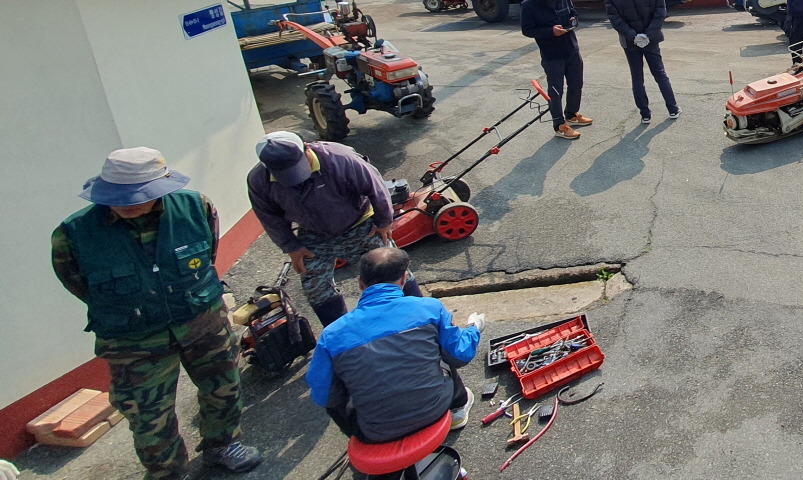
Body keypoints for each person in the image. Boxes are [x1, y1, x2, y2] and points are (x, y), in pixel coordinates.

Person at [51, 148, 261, 479]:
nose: (126, 203)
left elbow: (206, 253)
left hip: (201, 321)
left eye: (137, 195)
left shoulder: (196, 208)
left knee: (223, 387)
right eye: (116, 196)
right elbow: (76, 282)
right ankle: (167, 473)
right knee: (149, 416)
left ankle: (222, 445)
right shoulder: (74, 234)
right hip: (133, 340)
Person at [307, 248, 483, 441]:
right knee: (447, 346)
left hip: (375, 433)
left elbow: (324, 396)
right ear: (403, 279)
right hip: (434, 411)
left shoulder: (331, 335)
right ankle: (458, 409)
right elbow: (461, 355)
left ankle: (357, 441)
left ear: (360, 283)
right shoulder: (429, 309)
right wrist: (474, 328)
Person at [247, 131, 420, 328]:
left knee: (391, 269)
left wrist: (383, 221)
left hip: (360, 225)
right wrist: (291, 246)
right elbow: (269, 216)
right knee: (315, 287)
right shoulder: (259, 180)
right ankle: (342, 336)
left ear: (307, 148)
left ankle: (418, 321)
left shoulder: (340, 159)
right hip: (313, 234)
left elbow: (375, 187)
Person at [605, 0, 680, 123]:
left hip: (629, 42)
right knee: (660, 74)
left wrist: (634, 36)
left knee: (637, 77)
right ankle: (673, 109)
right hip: (651, 40)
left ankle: (645, 115)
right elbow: (660, 13)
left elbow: (615, 20)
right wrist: (648, 34)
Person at [520, 0, 593, 139]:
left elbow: (573, 12)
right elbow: (527, 30)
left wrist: (573, 19)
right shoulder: (528, 5)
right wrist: (550, 32)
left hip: (572, 49)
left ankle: (572, 114)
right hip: (552, 54)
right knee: (556, 90)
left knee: (576, 84)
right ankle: (559, 125)